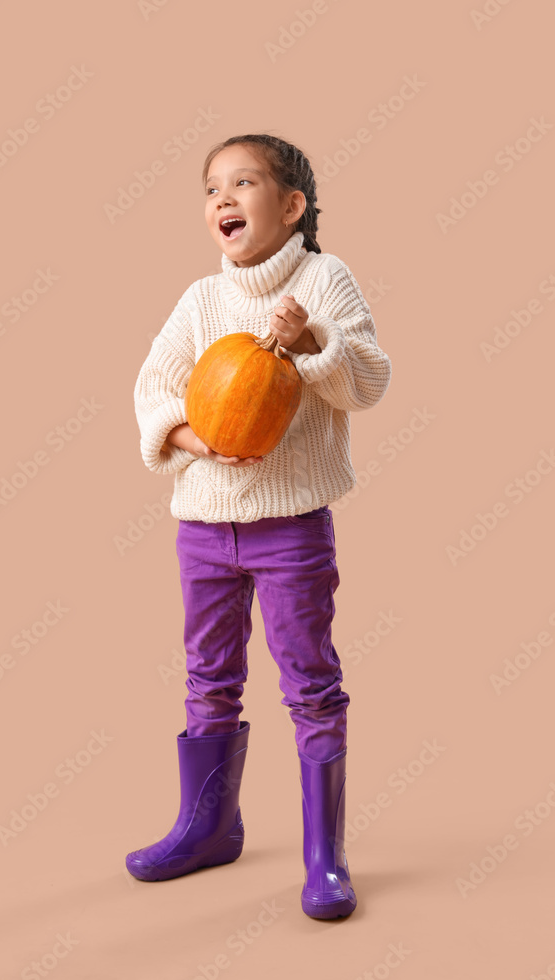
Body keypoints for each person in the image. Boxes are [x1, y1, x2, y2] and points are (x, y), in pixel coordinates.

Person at [125, 133, 392, 919]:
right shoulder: (200, 300)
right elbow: (153, 388)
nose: (222, 199)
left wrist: (312, 342)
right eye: (211, 188)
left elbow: (368, 382)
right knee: (207, 676)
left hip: (290, 527)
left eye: (242, 184)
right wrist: (190, 437)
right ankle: (208, 827)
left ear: (292, 205)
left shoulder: (324, 280)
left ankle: (324, 857)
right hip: (204, 525)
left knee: (311, 682)